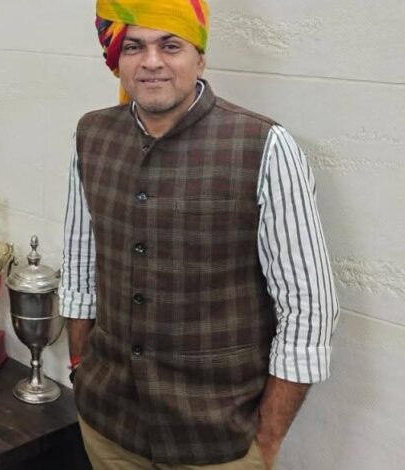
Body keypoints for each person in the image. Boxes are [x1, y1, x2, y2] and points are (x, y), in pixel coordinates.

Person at [58, 1, 339, 469]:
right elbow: (80, 268)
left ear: (200, 58)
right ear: (117, 58)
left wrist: (267, 440)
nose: (151, 62)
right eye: (134, 47)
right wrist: (79, 368)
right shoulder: (91, 135)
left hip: (218, 445)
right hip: (108, 431)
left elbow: (308, 309)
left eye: (170, 46)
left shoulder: (264, 146)